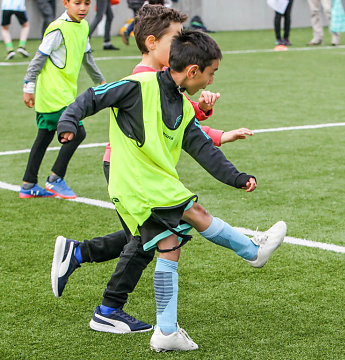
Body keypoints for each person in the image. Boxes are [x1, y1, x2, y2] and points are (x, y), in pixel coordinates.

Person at [56, 29, 286, 352]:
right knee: (194, 214)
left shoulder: (183, 106)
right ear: (193, 72)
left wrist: (237, 177)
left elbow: (205, 150)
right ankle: (253, 252)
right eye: (210, 74)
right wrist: (68, 122)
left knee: (169, 246)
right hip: (136, 185)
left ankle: (165, 331)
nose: (210, 82)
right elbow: (92, 98)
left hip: (155, 184)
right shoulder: (138, 86)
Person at [20, 0, 105, 199]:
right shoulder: (57, 28)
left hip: (64, 93)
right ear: (66, 3)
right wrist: (28, 87)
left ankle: (28, 184)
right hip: (52, 95)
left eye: (87, 3)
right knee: (78, 131)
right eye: (77, 3)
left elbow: (87, 58)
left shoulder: (83, 26)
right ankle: (55, 179)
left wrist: (100, 82)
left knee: (44, 137)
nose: (83, 8)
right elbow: (37, 60)